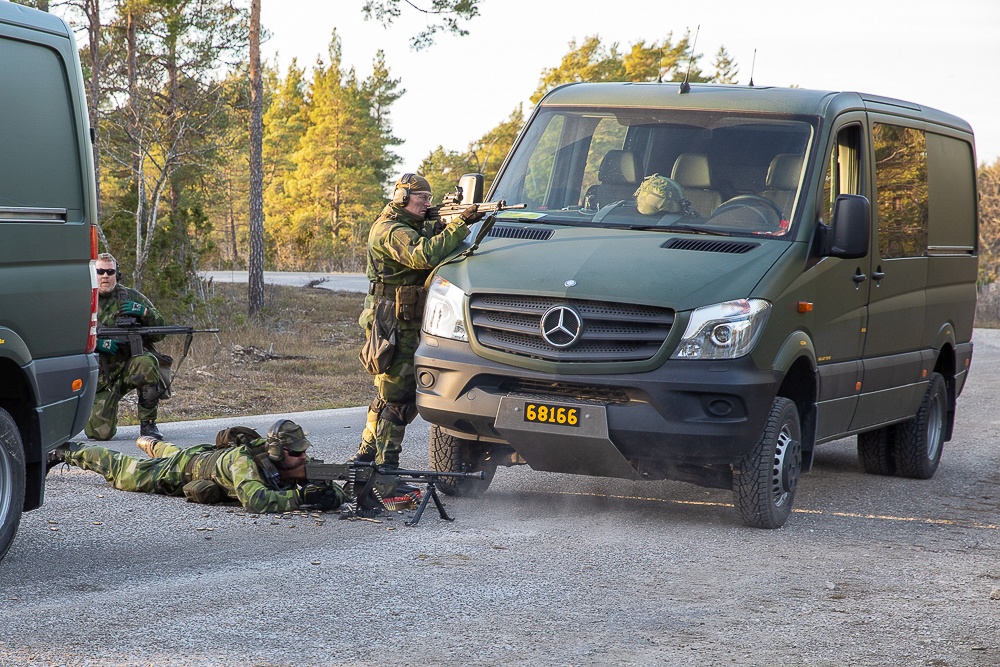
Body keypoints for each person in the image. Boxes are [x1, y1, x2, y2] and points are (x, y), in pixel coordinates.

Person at [352, 173, 481, 469]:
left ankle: (366, 455)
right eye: (422, 198)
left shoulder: (408, 226)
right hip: (392, 320)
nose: (427, 204)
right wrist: (459, 226)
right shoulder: (391, 230)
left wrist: (442, 225)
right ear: (402, 198)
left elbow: (424, 239)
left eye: (430, 199)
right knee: (397, 396)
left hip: (402, 317)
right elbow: (422, 255)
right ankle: (385, 467)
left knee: (391, 393)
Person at [47, 420, 345, 513]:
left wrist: (332, 494)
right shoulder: (243, 461)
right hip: (186, 468)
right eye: (296, 454)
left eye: (304, 453)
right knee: (126, 471)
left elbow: (336, 484)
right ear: (278, 452)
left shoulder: (294, 462)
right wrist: (299, 498)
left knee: (169, 450)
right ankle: (66, 450)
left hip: (200, 455)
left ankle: (150, 442)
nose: (303, 459)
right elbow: (255, 501)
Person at [87, 252, 168, 441]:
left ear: (117, 274)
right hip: (99, 378)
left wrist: (145, 312)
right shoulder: (82, 299)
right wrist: (96, 344)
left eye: (110, 271)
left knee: (146, 362)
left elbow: (161, 331)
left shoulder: (131, 296)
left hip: (128, 368)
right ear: (93, 274)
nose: (105, 276)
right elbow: (65, 335)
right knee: (99, 434)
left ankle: (148, 425)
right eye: (100, 271)